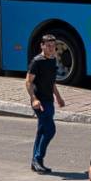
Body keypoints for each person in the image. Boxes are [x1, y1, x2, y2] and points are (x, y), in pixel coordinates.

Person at [25, 34, 65, 173]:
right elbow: (28, 82)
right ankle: (38, 158)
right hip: (39, 101)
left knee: (42, 131)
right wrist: (34, 99)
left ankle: (35, 162)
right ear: (42, 46)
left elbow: (51, 82)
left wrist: (58, 97)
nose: (51, 48)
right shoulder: (37, 61)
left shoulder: (53, 60)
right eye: (48, 45)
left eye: (53, 45)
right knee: (50, 130)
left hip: (49, 100)